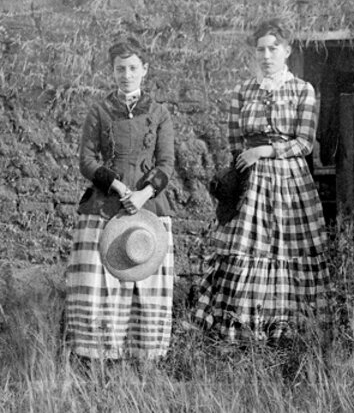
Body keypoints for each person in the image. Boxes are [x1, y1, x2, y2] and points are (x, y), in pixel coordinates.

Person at [194, 19, 328, 343]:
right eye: (260, 50)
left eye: (273, 48)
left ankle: (286, 333)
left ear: (287, 51)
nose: (266, 56)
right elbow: (232, 138)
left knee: (285, 249)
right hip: (249, 183)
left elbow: (305, 143)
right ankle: (242, 330)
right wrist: (247, 160)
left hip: (289, 182)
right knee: (245, 248)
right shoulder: (243, 91)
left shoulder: (302, 90)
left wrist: (268, 150)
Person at [65, 37, 175, 361]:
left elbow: (166, 163)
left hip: (147, 207)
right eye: (119, 69)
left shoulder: (159, 113)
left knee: (145, 278)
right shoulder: (99, 111)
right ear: (112, 72)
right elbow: (86, 160)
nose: (126, 74)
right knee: (99, 284)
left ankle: (144, 360)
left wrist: (142, 194)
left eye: (132, 68)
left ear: (144, 70)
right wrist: (116, 186)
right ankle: (97, 357)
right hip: (106, 204)